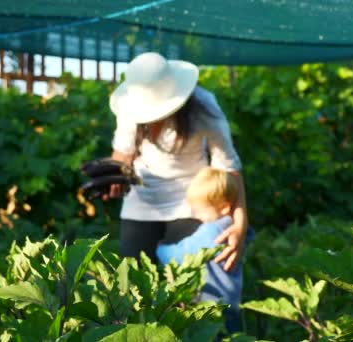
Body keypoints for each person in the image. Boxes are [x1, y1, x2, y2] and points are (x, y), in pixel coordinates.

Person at [106, 51, 248, 273]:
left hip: (192, 202)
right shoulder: (130, 107)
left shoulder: (203, 108)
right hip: (142, 201)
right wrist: (113, 175)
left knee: (186, 281)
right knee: (132, 281)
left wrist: (240, 223)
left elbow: (228, 167)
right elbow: (123, 153)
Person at [156, 167, 254, 333]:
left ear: (224, 208)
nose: (197, 216)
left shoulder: (211, 232)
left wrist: (161, 249)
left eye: (201, 211)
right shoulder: (234, 230)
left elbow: (179, 255)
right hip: (232, 303)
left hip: (210, 305)